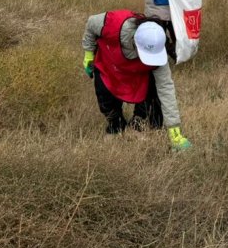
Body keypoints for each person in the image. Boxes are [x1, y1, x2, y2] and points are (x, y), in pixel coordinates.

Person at [82, 10, 191, 150]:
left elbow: (166, 88)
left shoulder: (157, 47)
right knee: (105, 96)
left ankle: (138, 124)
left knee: (153, 92)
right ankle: (116, 125)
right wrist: (88, 54)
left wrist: (174, 128)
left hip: (137, 72)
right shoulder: (113, 24)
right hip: (110, 64)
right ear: (135, 42)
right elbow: (91, 23)